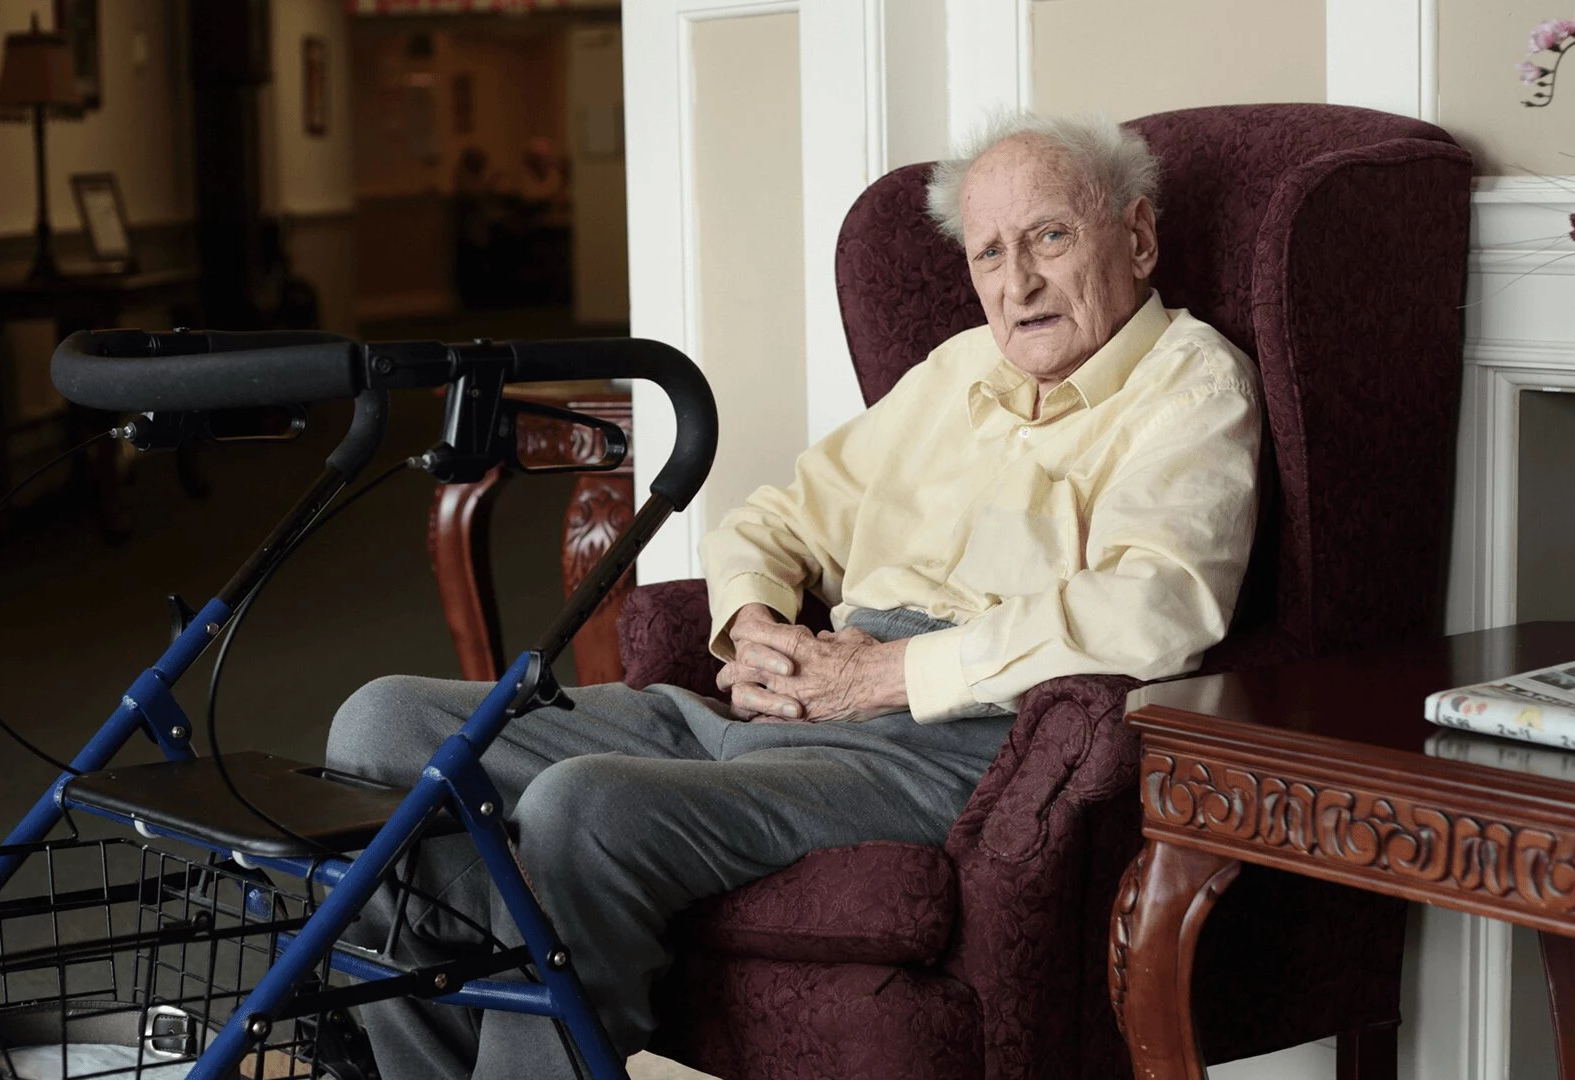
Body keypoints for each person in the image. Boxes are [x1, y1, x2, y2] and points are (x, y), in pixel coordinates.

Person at [325, 112, 1262, 1079]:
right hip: (785, 700)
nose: (1015, 282)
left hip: (948, 746)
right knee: (383, 727)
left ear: (1138, 237)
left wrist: (890, 674)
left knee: (582, 807)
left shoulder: (1189, 387)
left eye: (1049, 238)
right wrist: (754, 624)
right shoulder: (955, 371)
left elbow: (1157, 608)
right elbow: (773, 522)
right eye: (989, 253)